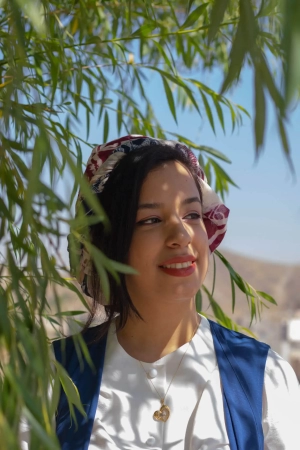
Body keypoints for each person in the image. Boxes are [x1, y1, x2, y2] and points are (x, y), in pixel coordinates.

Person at [22, 135, 300, 449]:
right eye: (151, 219)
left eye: (192, 215)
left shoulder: (262, 378)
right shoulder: (52, 377)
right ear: (108, 246)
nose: (181, 235)